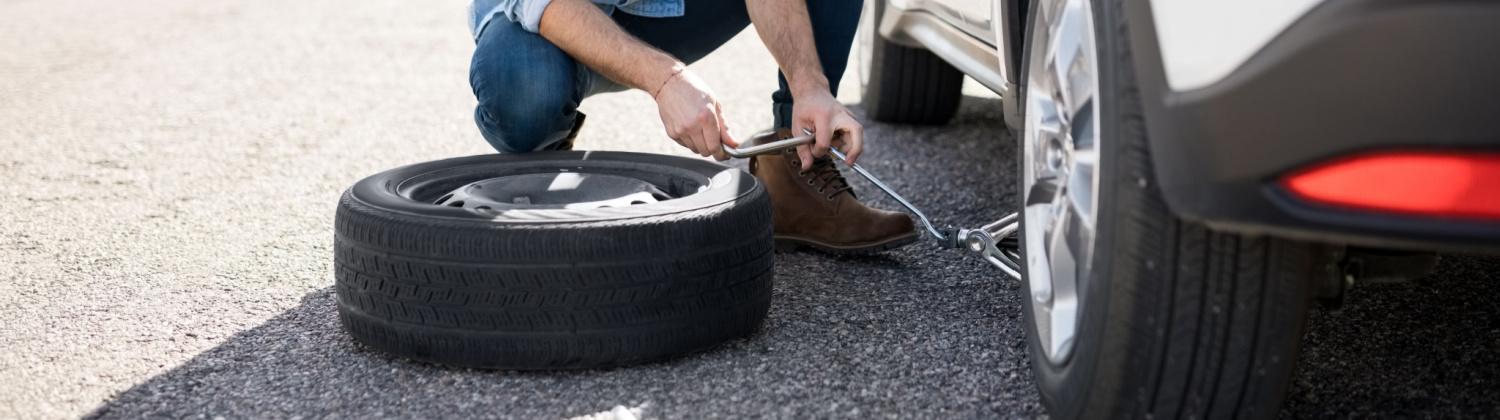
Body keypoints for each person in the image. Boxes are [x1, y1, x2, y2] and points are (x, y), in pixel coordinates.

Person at [467, 0, 917, 254]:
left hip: (675, 8)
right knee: (523, 91)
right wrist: (666, 79)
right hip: (549, 19)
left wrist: (810, 85)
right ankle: (544, 148)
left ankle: (795, 162)